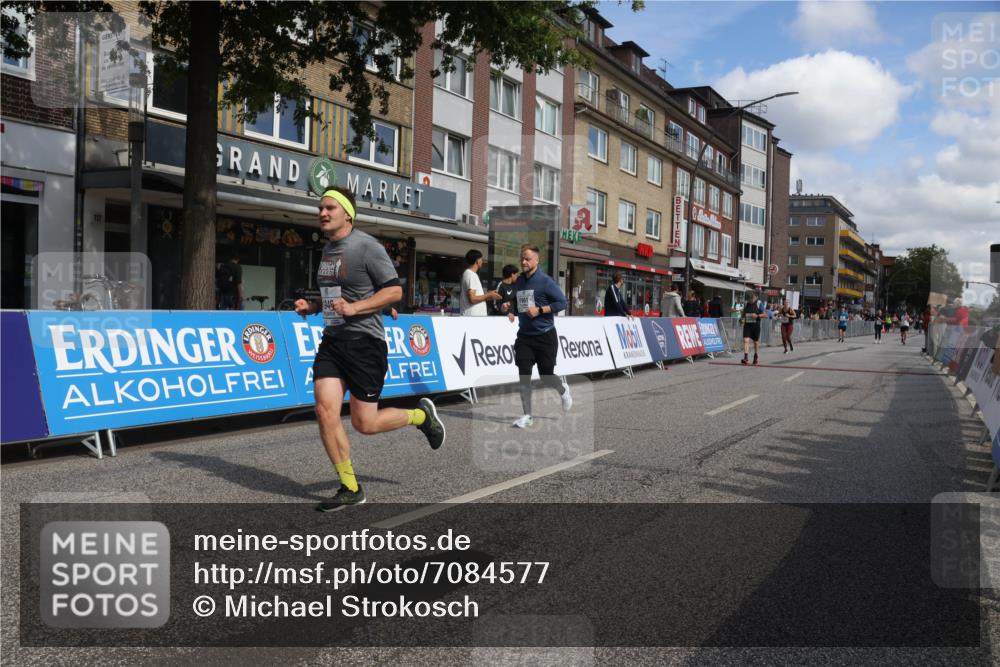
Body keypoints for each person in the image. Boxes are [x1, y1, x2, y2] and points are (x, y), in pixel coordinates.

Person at [294, 186, 445, 511]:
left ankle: (420, 416)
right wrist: (314, 306)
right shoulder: (328, 250)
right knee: (324, 410)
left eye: (330, 208)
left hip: (366, 344)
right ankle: (350, 487)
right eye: (320, 208)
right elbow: (337, 297)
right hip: (333, 341)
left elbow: (393, 292)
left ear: (347, 214)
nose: (322, 213)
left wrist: (356, 308)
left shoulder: (366, 247)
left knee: (365, 423)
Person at [507, 244, 571, 428]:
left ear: (536, 260)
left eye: (527, 259)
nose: (523, 262)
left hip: (545, 336)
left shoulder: (546, 281)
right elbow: (518, 301)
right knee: (524, 374)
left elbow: (562, 302)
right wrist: (510, 308)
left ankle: (562, 389)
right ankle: (527, 415)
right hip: (524, 336)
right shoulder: (519, 280)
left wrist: (540, 310)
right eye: (522, 258)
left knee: (546, 376)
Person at [460, 249, 500, 316]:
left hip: (475, 317)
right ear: (477, 261)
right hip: (472, 317)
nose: (482, 261)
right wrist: (489, 295)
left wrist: (490, 295)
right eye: (481, 259)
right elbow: (473, 299)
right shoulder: (470, 274)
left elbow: (475, 297)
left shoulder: (472, 274)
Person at [740, 291, 766, 366]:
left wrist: (757, 316)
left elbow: (765, 314)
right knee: (746, 340)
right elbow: (743, 314)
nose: (750, 300)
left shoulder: (759, 304)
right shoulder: (746, 304)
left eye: (752, 298)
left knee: (755, 342)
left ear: (755, 297)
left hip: (756, 326)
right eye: (749, 298)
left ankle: (755, 356)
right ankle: (746, 357)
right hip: (747, 325)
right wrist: (741, 319)